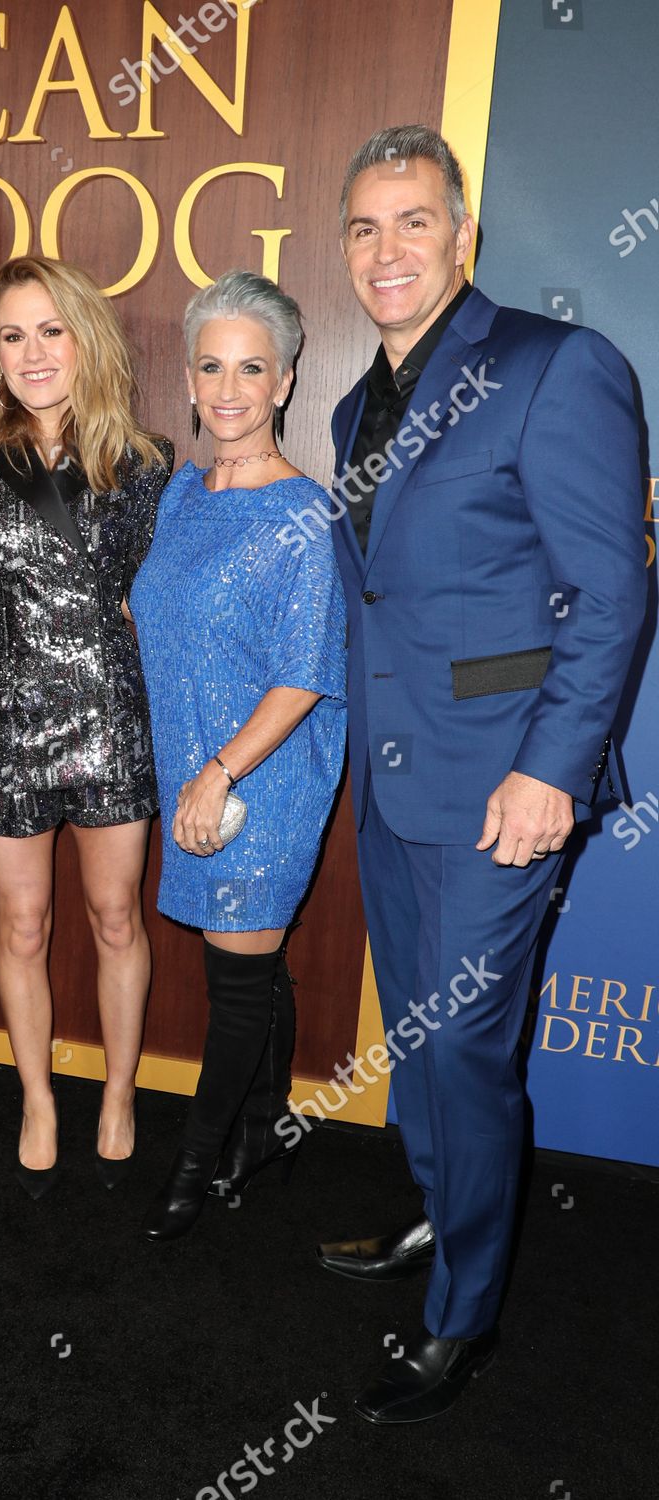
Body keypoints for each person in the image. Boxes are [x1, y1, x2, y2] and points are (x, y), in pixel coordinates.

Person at [319, 124, 646, 1423]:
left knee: (462, 1044)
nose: (387, 249)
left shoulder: (556, 366)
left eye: (413, 222)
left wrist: (552, 771)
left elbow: (614, 594)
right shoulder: (354, 404)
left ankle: (464, 1316)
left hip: (506, 788)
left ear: (464, 236)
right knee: (417, 1032)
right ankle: (439, 1214)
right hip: (392, 784)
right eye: (363, 226)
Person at [0, 256, 174, 1198]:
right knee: (21, 925)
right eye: (12, 335)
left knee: (116, 918)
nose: (33, 353)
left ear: (84, 337)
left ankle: (118, 1092)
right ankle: (37, 1098)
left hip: (113, 718)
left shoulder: (145, 463)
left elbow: (162, 606)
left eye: (50, 330)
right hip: (1, 724)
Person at [130, 269, 347, 1242]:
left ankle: (193, 1168)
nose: (228, 389)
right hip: (195, 766)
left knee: (235, 983)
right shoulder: (181, 491)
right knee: (258, 973)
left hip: (264, 778)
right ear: (187, 375)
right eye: (212, 366)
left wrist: (218, 774)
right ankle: (262, 1131)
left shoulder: (304, 516)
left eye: (250, 369)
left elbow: (303, 675)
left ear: (285, 383)